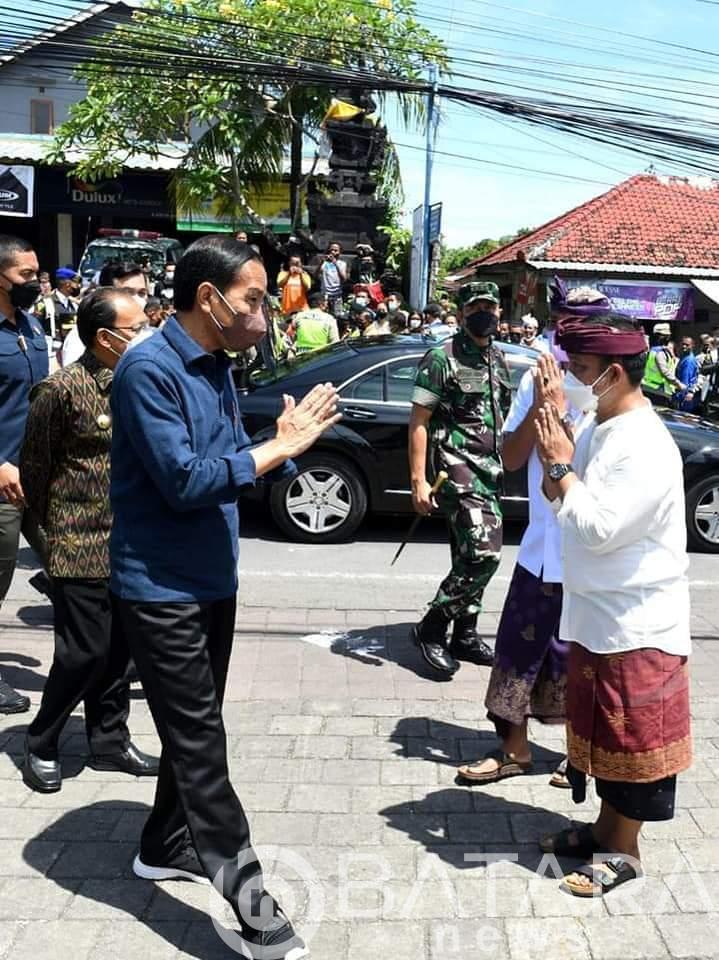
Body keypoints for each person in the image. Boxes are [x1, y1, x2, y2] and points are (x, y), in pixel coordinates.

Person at [109, 236, 339, 958]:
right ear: (208, 299)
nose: (265, 314)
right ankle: (253, 905)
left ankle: (163, 842)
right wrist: (279, 448)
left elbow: (231, 455)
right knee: (202, 743)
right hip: (160, 589)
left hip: (212, 578)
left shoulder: (216, 366)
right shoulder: (148, 369)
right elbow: (184, 480)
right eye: (254, 299)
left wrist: (279, 450)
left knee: (195, 728)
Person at [534, 314, 691, 898]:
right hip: (596, 613)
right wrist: (558, 461)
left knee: (632, 741)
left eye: (580, 370)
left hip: (636, 621)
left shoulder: (645, 444)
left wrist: (558, 465)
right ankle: (603, 830)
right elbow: (566, 500)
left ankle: (625, 851)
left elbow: (598, 527)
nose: (573, 380)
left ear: (615, 373)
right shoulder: (601, 425)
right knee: (601, 734)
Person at [458, 281, 613, 787]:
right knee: (515, 649)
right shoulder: (537, 376)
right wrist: (541, 404)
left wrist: (562, 411)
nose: (568, 337)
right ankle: (514, 749)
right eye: (563, 324)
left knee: (580, 659)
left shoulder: (611, 387)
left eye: (581, 327)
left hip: (587, 550)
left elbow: (582, 467)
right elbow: (510, 457)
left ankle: (580, 757)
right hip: (539, 548)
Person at [19, 288, 160, 793]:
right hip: (79, 542)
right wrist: (58, 534)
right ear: (104, 337)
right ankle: (41, 741)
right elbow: (35, 471)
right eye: (135, 328)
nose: (146, 335)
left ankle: (109, 741)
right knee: (84, 652)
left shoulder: (139, 384)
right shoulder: (61, 390)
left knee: (120, 652)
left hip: (131, 543)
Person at [409, 281, 512, 677]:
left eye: (490, 307)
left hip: (490, 470)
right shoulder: (441, 358)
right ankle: (432, 627)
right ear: (462, 314)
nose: (484, 314)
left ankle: (465, 634)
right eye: (475, 308)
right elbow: (418, 422)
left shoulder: (497, 357)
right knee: (485, 554)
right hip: (456, 470)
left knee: (466, 553)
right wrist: (418, 480)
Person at [0, 235, 49, 714]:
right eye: (25, 275)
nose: (36, 282)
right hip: (1, 481)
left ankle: (100, 653)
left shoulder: (32, 325)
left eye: (37, 273)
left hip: (37, 476)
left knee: (70, 563)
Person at [642, 322, 683, 398]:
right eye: (667, 336)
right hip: (658, 391)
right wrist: (679, 385)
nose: (668, 338)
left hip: (648, 387)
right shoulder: (660, 353)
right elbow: (665, 373)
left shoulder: (652, 350)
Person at [317, 242, 348, 316]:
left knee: (337, 315)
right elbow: (316, 275)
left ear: (339, 252)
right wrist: (321, 263)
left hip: (337, 294)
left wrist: (335, 264)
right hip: (325, 294)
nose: (333, 252)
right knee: (323, 315)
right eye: (331, 250)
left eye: (335, 250)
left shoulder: (342, 264)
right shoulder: (324, 263)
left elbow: (344, 279)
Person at [673, 335, 701, 412]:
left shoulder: (689, 361)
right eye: (683, 344)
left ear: (692, 346)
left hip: (684, 397)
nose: (684, 346)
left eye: (687, 345)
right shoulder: (684, 357)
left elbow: (685, 381)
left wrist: (680, 397)